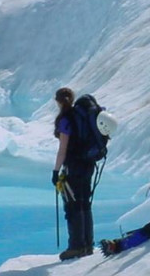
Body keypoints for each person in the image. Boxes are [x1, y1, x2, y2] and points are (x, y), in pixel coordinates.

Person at [52, 87, 95, 260]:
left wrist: (56, 171)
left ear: (58, 101)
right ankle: (88, 245)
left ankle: (76, 246)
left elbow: (63, 149)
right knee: (85, 203)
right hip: (88, 165)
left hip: (73, 167)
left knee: (73, 205)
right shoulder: (81, 116)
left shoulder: (66, 119)